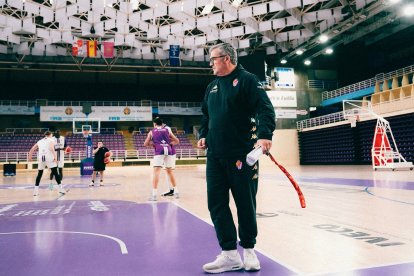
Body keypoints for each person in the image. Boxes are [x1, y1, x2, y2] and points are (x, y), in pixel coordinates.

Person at [197, 43, 275, 273]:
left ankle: (249, 251)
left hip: (242, 155)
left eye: (213, 59)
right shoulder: (211, 86)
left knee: (245, 204)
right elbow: (206, 116)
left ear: (227, 58)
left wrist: (264, 136)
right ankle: (229, 254)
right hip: (215, 157)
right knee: (217, 205)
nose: (211, 63)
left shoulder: (248, 80)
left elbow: (265, 109)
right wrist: (203, 135)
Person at [144, 117, 179, 201]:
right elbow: (177, 141)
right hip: (169, 150)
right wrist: (169, 144)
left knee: (156, 172)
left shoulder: (152, 131)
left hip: (159, 151)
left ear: (155, 124)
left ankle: (154, 195)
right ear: (162, 123)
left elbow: (145, 143)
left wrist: (153, 145)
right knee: (169, 171)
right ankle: (177, 192)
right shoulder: (167, 130)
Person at [28, 131, 66, 196]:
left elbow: (32, 149)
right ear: (50, 135)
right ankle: (61, 189)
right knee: (55, 173)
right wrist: (55, 157)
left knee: (39, 174)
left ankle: (35, 191)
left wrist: (30, 157)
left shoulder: (39, 141)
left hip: (41, 158)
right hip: (49, 157)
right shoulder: (51, 140)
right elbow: (51, 148)